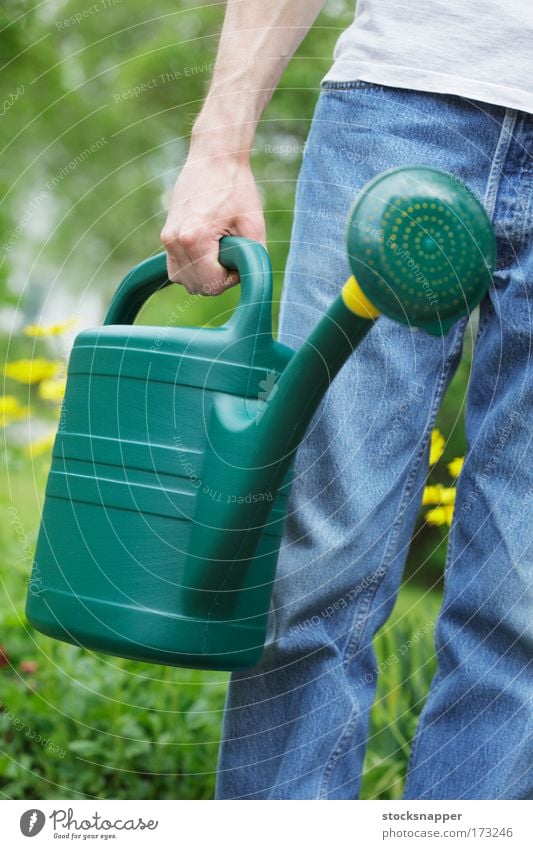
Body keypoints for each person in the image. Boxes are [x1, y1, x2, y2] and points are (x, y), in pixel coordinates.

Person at [160, 1, 533, 800]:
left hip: (400, 106)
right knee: (310, 567)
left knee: (524, 603)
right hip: (404, 93)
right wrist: (218, 142)